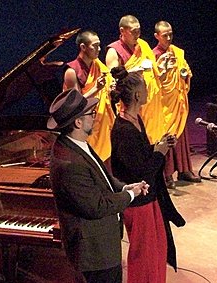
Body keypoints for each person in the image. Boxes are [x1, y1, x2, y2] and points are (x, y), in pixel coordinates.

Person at [48, 89, 147, 283]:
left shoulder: (79, 145)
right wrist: (128, 198)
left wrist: (124, 187)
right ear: (77, 122)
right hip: (92, 244)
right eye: (89, 113)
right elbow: (94, 205)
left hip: (100, 239)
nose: (94, 115)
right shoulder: (68, 162)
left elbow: (103, 180)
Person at [110, 66, 185, 283]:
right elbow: (140, 171)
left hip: (149, 196)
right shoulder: (122, 129)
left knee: (158, 247)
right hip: (137, 199)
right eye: (144, 88)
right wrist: (160, 152)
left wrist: (158, 145)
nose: (148, 90)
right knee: (143, 253)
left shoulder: (135, 120)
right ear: (137, 96)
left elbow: (143, 157)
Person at [152, 20, 201, 189]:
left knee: (181, 136)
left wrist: (185, 73)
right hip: (164, 104)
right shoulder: (154, 56)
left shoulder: (177, 52)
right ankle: (166, 174)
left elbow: (185, 71)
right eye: (165, 35)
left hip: (178, 100)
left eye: (170, 34)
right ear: (157, 36)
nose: (168, 38)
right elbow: (154, 81)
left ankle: (184, 170)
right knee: (167, 137)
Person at [106, 15, 165, 145]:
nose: (137, 34)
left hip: (148, 100)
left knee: (151, 138)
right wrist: (134, 70)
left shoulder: (143, 45)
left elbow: (154, 72)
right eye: (133, 31)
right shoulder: (114, 51)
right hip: (130, 104)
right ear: (122, 31)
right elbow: (113, 80)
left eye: (139, 30)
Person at [63, 30, 115, 162]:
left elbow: (107, 92)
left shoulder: (99, 66)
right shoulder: (72, 71)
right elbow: (74, 104)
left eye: (99, 45)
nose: (99, 49)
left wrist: (110, 89)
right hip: (84, 124)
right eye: (95, 46)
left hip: (101, 121)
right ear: (83, 47)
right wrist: (96, 89)